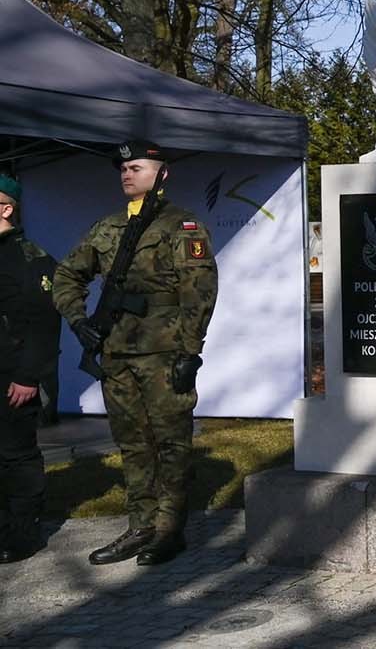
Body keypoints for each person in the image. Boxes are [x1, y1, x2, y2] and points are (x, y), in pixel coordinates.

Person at [51, 140, 217, 566]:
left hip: (164, 354)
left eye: (137, 167)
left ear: (162, 173)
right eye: (123, 168)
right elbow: (67, 276)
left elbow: (199, 291)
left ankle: (168, 529)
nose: (127, 173)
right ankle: (139, 525)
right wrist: (78, 321)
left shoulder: (182, 227)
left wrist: (190, 351)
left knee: (171, 441)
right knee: (132, 443)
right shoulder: (107, 228)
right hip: (117, 354)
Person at [0, 174, 57, 563]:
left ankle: (23, 533)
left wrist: (28, 376)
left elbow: (45, 322)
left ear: (6, 208)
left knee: (15, 455)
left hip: (12, 376)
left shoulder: (29, 258)